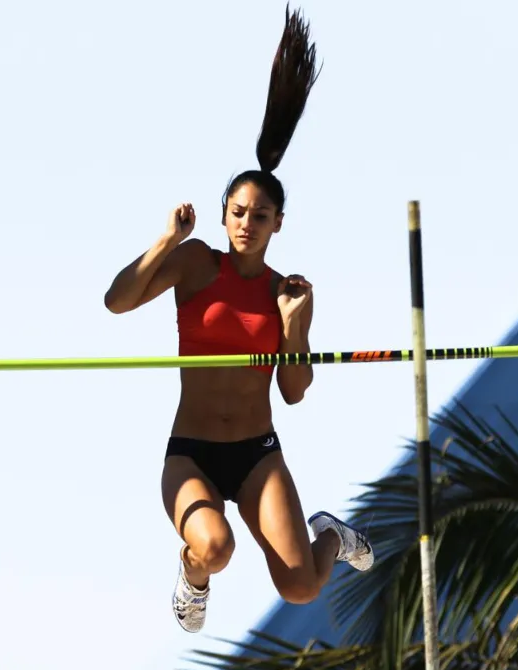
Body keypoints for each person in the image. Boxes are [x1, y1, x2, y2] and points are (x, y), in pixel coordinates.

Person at [102, 7, 373, 632]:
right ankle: (191, 576)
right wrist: (166, 239)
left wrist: (296, 325)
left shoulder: (287, 289)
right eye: (238, 211)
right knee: (215, 548)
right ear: (224, 217)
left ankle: (328, 534)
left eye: (260, 215)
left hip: (257, 453)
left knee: (302, 586)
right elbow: (117, 301)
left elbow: (295, 392)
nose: (247, 223)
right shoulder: (195, 264)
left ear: (279, 223)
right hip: (192, 453)